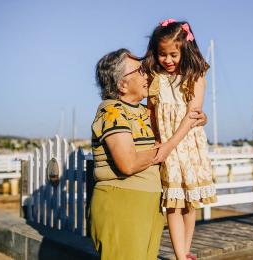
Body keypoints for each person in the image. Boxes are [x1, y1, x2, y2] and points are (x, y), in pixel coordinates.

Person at [90, 48, 208, 259]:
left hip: (149, 205)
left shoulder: (145, 112)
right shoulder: (112, 111)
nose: (148, 74)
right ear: (121, 84)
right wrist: (165, 149)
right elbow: (128, 163)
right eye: (140, 71)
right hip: (122, 204)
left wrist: (199, 119)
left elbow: (176, 121)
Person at [142, 19, 217, 260]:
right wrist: (156, 140)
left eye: (173, 54)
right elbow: (152, 112)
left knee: (188, 202)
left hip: (186, 146)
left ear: (185, 50)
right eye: (162, 54)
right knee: (172, 203)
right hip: (165, 145)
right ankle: (179, 255)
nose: (168, 60)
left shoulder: (196, 78)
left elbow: (192, 116)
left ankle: (185, 251)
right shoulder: (156, 79)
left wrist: (200, 120)